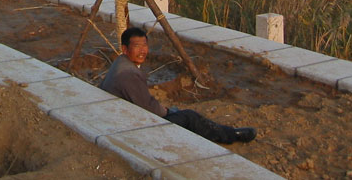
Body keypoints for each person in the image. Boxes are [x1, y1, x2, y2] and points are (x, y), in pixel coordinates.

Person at [100, 27, 256, 144]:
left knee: (181, 115)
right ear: (125, 49)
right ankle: (231, 135)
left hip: (120, 117)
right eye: (137, 46)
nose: (142, 51)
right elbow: (149, 108)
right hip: (131, 129)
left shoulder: (120, 63)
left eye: (145, 45)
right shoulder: (129, 74)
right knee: (189, 117)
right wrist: (169, 112)